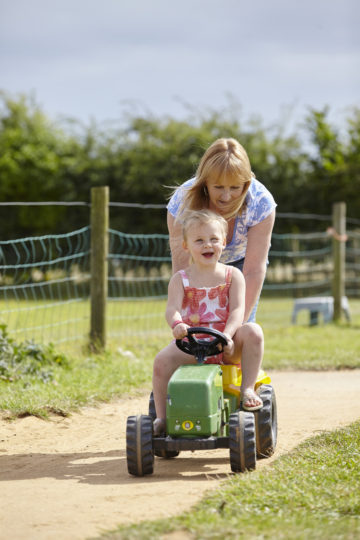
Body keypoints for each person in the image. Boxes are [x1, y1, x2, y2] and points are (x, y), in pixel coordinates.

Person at [152, 209, 264, 436]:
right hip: (192, 346)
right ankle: (162, 418)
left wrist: (229, 335)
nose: (207, 245)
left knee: (253, 331)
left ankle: (248, 390)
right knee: (161, 361)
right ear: (186, 246)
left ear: (223, 242)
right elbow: (172, 309)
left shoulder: (233, 275)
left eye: (214, 239)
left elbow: (237, 311)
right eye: (199, 240)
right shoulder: (180, 279)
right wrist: (176, 324)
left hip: (227, 346)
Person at [167, 137, 276, 323]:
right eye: (218, 187)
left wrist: (235, 327)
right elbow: (182, 266)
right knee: (198, 327)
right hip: (199, 265)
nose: (226, 197)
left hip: (243, 267)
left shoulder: (261, 203)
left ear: (246, 184)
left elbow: (254, 270)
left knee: (240, 333)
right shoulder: (182, 203)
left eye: (235, 188)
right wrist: (185, 321)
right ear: (205, 184)